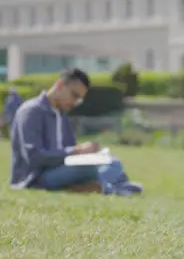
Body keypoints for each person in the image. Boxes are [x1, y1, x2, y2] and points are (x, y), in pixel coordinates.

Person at [9, 68, 143, 196]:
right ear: (60, 85)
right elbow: (34, 157)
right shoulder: (31, 111)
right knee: (90, 169)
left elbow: (70, 150)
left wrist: (87, 152)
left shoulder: (61, 115)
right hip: (37, 177)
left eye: (79, 99)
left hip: (61, 169)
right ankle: (113, 188)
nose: (75, 102)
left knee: (113, 162)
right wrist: (76, 151)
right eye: (74, 95)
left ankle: (97, 186)